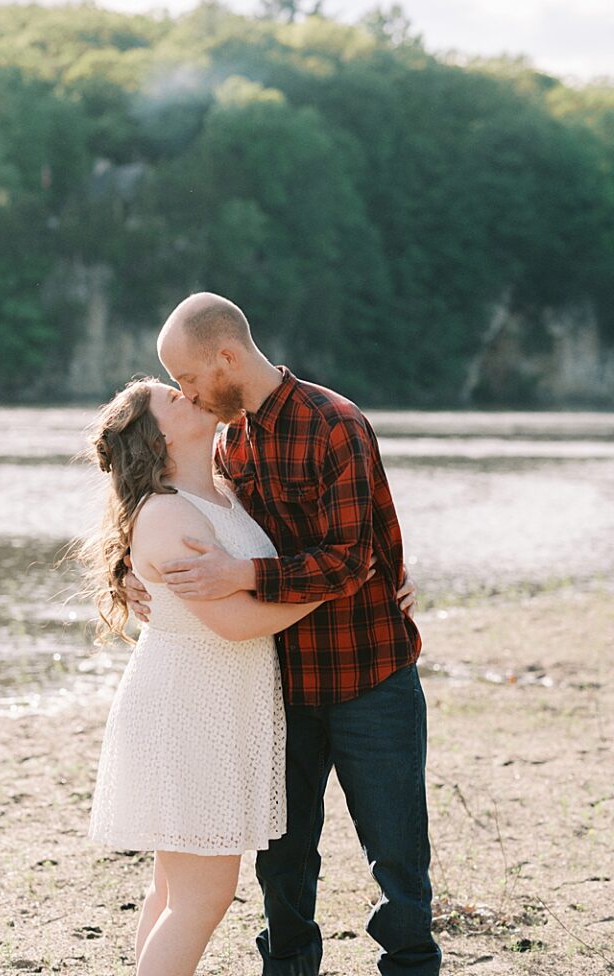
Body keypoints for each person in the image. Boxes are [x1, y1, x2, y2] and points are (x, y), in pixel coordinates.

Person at [125, 292, 442, 976]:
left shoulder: (335, 424)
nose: (187, 393)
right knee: (284, 859)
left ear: (227, 356)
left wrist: (244, 574)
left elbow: (349, 558)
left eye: (188, 378)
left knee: (397, 852)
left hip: (369, 676)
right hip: (281, 687)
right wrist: (136, 570)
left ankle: (411, 967)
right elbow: (170, 502)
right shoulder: (228, 444)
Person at [83, 377, 336, 976]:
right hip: (189, 709)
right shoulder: (170, 513)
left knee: (173, 891)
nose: (186, 393)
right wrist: (334, 586)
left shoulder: (222, 490)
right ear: (157, 438)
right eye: (172, 398)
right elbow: (236, 622)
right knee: (204, 895)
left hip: (215, 703)